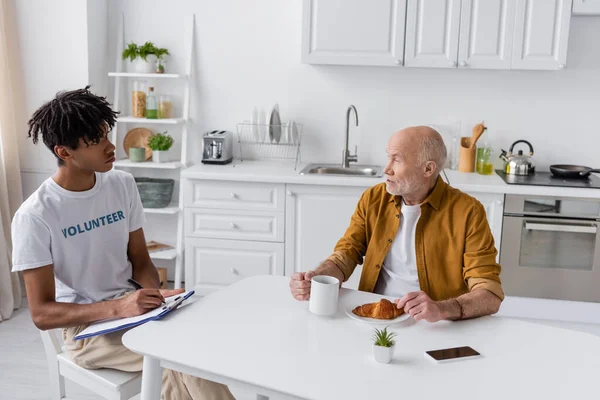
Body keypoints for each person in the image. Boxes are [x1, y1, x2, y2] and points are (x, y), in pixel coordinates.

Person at [11, 86, 234, 399]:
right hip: (86, 330)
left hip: (135, 307)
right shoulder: (35, 216)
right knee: (176, 358)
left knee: (197, 343)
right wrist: (118, 308)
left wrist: (153, 296)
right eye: (96, 141)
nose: (111, 146)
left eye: (106, 134)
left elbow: (141, 260)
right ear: (65, 152)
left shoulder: (121, 184)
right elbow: (42, 314)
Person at [289, 126, 503, 322]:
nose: (386, 169)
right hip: (374, 316)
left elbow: (489, 294)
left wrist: (441, 308)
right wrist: (317, 277)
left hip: (434, 325)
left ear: (428, 169)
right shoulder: (373, 198)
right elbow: (347, 252)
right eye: (388, 158)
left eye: (397, 160)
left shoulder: (468, 212)